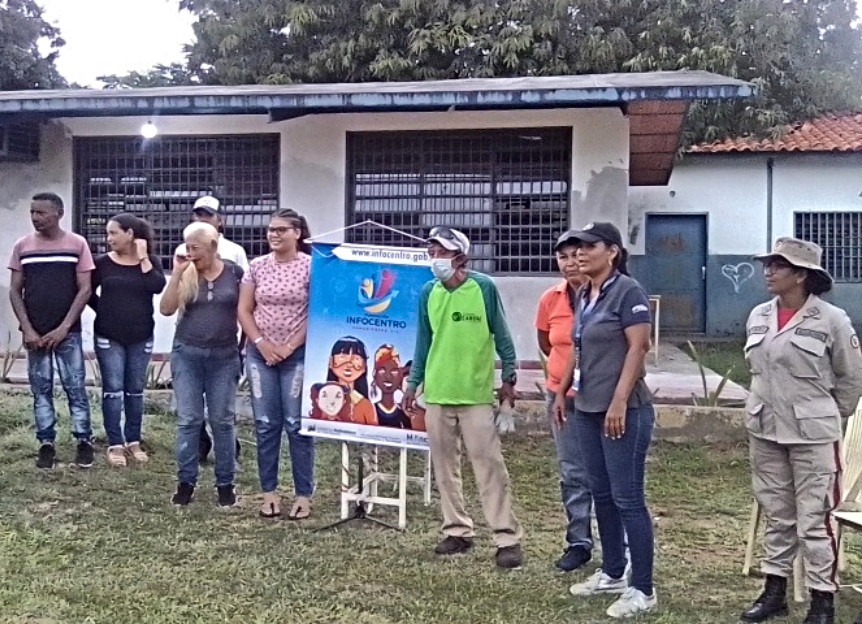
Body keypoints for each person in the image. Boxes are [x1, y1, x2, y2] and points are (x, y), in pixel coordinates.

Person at [739, 237, 862, 624]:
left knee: (815, 518)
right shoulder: (758, 314)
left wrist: (825, 416)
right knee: (778, 514)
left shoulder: (832, 320)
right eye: (768, 264)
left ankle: (821, 600)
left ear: (802, 275)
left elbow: (851, 377)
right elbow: (759, 370)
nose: (768, 271)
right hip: (766, 428)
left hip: (813, 435)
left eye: (779, 265)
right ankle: (774, 591)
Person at [404, 226, 523, 570]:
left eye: (441, 252)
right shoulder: (428, 291)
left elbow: (501, 334)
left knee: (489, 466)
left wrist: (509, 377)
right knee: (444, 467)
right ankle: (457, 530)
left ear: (459, 256)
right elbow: (424, 342)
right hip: (438, 393)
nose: (435, 258)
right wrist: (414, 384)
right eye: (431, 252)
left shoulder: (482, 287)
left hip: (475, 394)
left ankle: (506, 537)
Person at [554, 222, 656, 618]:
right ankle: (612, 571)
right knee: (601, 493)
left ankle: (643, 589)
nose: (580, 253)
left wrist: (618, 401)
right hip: (587, 409)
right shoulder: (584, 294)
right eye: (576, 247)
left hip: (624, 411)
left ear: (612, 251)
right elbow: (577, 351)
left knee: (628, 497)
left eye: (589, 246)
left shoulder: (628, 290)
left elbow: (638, 347)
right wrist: (562, 392)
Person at [8, 192, 95, 469]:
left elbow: (85, 290)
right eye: (32, 212)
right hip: (35, 335)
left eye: (41, 213)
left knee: (75, 388)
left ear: (59, 213)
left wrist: (64, 328)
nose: (35, 218)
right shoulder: (23, 246)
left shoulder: (76, 244)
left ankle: (84, 440)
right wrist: (28, 329)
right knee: (41, 389)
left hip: (67, 333)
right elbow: (14, 290)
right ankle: (46, 443)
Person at [238, 208, 314, 520]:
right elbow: (244, 310)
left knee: (297, 426)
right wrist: (261, 344)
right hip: (260, 354)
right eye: (271, 229)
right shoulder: (256, 267)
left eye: (282, 229)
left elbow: (316, 311)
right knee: (266, 424)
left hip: (295, 354)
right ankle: (269, 492)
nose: (274, 235)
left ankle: (303, 495)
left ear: (297, 233)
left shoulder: (312, 268)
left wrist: (288, 346)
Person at [161, 222, 243, 507]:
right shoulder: (186, 273)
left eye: (196, 247)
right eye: (188, 247)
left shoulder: (234, 272)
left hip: (224, 355)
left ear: (213, 245)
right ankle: (186, 482)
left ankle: (225, 484)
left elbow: (246, 309)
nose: (191, 253)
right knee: (189, 420)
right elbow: (166, 308)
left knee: (222, 420)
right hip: (188, 353)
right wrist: (177, 274)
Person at [173, 195, 248, 463]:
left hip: (224, 345)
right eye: (197, 214)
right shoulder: (184, 252)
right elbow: (172, 303)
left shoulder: (236, 256)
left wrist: (243, 342)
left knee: (222, 415)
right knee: (190, 415)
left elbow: (246, 301)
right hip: (190, 341)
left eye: (208, 214)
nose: (202, 218)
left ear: (220, 220)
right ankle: (193, 460)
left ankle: (227, 467)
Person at [535, 231, 593, 572]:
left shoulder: (606, 295)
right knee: (572, 470)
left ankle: (619, 546)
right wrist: (561, 381)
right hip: (561, 395)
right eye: (564, 257)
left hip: (599, 396)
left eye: (576, 255)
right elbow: (547, 343)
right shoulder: (550, 299)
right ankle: (579, 542)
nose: (571, 263)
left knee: (606, 473)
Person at [89, 214, 166, 467]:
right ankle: (115, 443)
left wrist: (143, 257)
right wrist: (105, 310)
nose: (108, 238)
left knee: (135, 391)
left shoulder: (149, 262)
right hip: (108, 336)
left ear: (130, 234)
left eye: (113, 233)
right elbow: (86, 291)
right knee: (112, 390)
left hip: (141, 335)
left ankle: (133, 440)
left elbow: (156, 286)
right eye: (108, 233)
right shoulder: (102, 263)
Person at [327, 337, 377, 425]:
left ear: (364, 366)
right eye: (342, 357)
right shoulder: (323, 399)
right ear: (331, 362)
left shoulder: (365, 405)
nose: (349, 364)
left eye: (356, 358)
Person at [372, 344, 412, 429]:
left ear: (400, 375)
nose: (388, 376)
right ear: (374, 374)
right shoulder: (370, 411)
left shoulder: (405, 414)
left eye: (394, 371)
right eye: (382, 370)